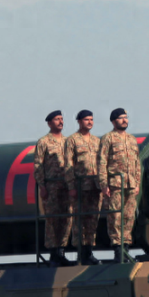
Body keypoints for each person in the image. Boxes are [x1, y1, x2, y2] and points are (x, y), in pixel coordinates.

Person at [97, 108, 141, 262]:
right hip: (115, 185)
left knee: (129, 217)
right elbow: (102, 162)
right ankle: (118, 250)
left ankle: (126, 248)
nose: (125, 120)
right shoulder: (108, 138)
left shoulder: (132, 139)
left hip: (131, 184)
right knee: (115, 217)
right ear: (114, 121)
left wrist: (137, 183)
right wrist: (104, 183)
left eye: (126, 117)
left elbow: (137, 163)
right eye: (121, 118)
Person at [34, 110, 72, 266]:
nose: (61, 122)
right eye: (57, 119)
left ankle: (61, 251)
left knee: (67, 219)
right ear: (50, 123)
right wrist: (42, 186)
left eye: (62, 119)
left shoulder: (68, 142)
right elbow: (38, 165)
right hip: (52, 188)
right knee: (52, 220)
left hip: (66, 187)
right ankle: (53, 254)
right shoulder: (44, 142)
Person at [64, 109, 102, 265]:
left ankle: (89, 252)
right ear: (79, 122)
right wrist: (71, 186)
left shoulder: (97, 141)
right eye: (87, 119)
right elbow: (68, 165)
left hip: (95, 187)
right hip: (80, 187)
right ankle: (81, 252)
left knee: (93, 219)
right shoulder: (72, 140)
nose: (90, 122)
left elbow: (102, 163)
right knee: (80, 221)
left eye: (91, 119)